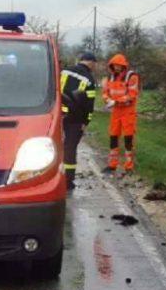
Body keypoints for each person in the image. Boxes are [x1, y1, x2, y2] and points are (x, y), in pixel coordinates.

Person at [59, 51, 100, 189]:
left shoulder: (64, 71)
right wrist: (85, 122)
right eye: (95, 64)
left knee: (52, 147)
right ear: (92, 63)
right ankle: (67, 181)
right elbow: (89, 105)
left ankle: (49, 177)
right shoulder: (89, 79)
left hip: (56, 115)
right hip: (75, 119)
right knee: (69, 149)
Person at [103, 53, 141, 172]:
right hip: (116, 112)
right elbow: (105, 92)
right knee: (113, 137)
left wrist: (116, 101)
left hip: (128, 111)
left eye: (119, 66)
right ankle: (112, 164)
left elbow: (132, 95)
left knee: (128, 138)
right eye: (115, 66)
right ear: (112, 66)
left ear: (124, 66)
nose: (117, 68)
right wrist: (108, 100)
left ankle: (129, 166)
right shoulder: (109, 78)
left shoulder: (132, 77)